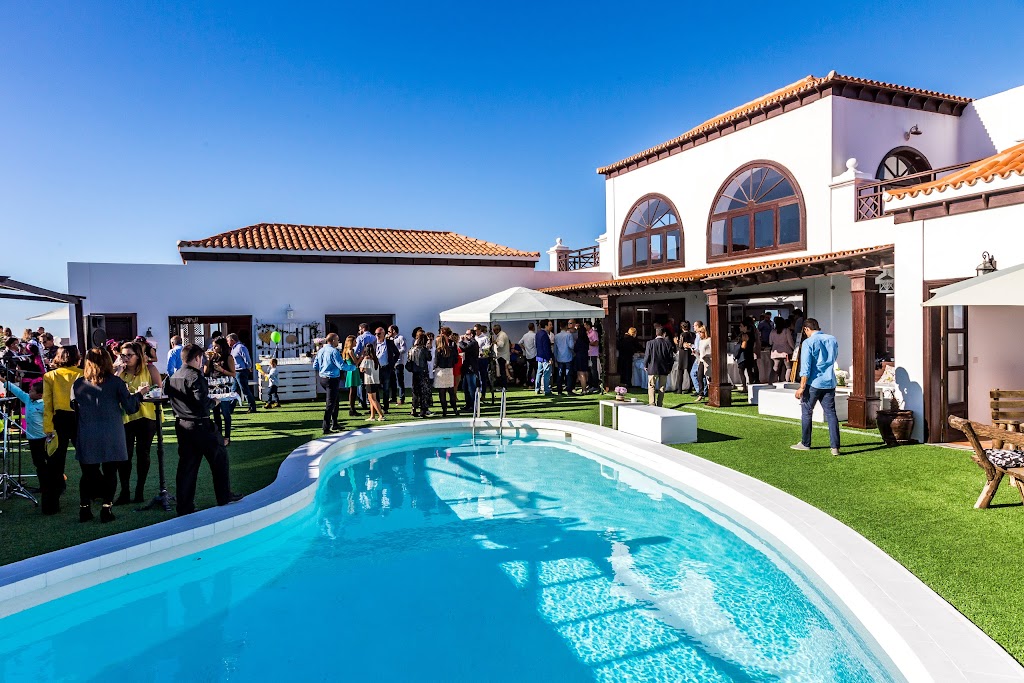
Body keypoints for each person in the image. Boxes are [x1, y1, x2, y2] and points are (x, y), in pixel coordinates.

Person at [72, 347, 148, 523]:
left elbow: (73, 406)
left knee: (87, 473)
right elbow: (130, 407)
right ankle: (106, 509)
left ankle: (84, 508)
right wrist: (140, 394)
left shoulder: (78, 383)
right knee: (110, 472)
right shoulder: (115, 382)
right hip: (111, 432)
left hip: (87, 432)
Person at [164, 343, 238, 515]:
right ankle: (224, 496)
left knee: (187, 467)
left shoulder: (173, 376)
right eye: (201, 359)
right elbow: (202, 403)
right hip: (200, 425)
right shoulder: (196, 376)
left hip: (182, 425)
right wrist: (215, 402)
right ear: (197, 358)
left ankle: (184, 506)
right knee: (219, 459)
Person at [114, 340, 161, 504]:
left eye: (129, 355)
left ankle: (139, 491)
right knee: (124, 455)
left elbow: (159, 388)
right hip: (125, 417)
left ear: (138, 356)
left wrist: (144, 392)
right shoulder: (119, 372)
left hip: (146, 416)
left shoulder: (150, 369)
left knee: (143, 453)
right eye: (123, 355)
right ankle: (125, 491)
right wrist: (118, 371)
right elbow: (109, 389)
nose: (125, 358)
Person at [792, 318, 841, 456]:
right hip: (829, 381)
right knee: (831, 414)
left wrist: (801, 387)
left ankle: (805, 443)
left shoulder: (808, 342)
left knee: (807, 412)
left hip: (813, 383)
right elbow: (834, 358)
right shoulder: (832, 339)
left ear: (806, 329)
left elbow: (806, 366)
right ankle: (835, 447)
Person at [42, 345, 82, 514]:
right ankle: (97, 491)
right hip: (80, 418)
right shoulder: (83, 373)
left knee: (55, 462)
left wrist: (48, 427)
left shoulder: (50, 376)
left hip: (59, 419)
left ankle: (50, 505)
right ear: (77, 357)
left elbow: (47, 404)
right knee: (87, 459)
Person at [5, 379, 50, 512]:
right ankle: (43, 486)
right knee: (38, 463)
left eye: (32, 391)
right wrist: (3, 380)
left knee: (46, 463)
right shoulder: (28, 399)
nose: (29, 392)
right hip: (32, 439)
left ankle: (56, 484)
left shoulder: (44, 405)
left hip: (43, 438)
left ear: (40, 395)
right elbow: (17, 391)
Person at [313, 333, 344, 434]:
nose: (338, 342)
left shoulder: (321, 350)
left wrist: (323, 369)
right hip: (332, 379)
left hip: (323, 378)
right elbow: (341, 365)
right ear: (333, 340)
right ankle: (326, 427)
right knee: (330, 403)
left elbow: (315, 365)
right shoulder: (334, 351)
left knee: (335, 400)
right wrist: (353, 367)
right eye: (337, 340)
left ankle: (334, 423)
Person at [644, 327, 675, 407]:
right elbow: (671, 358)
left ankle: (652, 403)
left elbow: (647, 355)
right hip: (664, 368)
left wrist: (645, 365)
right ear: (664, 334)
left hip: (653, 367)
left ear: (656, 333)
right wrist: (670, 368)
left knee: (651, 386)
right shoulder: (667, 343)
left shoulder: (650, 343)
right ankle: (660, 403)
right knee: (662, 387)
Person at [225, 334, 257, 413]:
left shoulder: (241, 347)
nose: (227, 342)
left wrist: (249, 367)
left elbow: (247, 358)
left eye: (228, 341)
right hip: (236, 371)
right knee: (234, 390)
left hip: (241, 371)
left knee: (244, 390)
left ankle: (252, 407)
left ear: (232, 340)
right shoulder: (233, 348)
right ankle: (230, 408)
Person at [433, 328, 459, 416]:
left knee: (442, 392)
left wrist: (434, 368)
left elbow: (436, 362)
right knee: (451, 391)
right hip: (449, 371)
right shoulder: (451, 349)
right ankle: (455, 409)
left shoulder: (438, 350)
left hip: (440, 371)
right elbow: (456, 360)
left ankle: (444, 410)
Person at [374, 327, 398, 414]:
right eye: (376, 334)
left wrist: (392, 363)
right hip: (376, 368)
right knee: (375, 388)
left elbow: (397, 353)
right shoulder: (373, 343)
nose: (377, 335)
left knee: (386, 388)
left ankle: (385, 407)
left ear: (383, 334)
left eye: (379, 334)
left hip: (386, 368)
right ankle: (377, 406)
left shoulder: (389, 343)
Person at [408, 333, 433, 418]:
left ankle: (414, 408)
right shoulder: (424, 349)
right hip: (423, 372)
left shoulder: (412, 349)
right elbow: (429, 358)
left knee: (415, 391)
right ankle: (423, 410)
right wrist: (428, 349)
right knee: (423, 392)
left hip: (415, 372)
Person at [358, 347, 385, 421]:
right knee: (372, 399)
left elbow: (361, 369)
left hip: (369, 380)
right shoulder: (375, 359)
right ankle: (372, 416)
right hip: (375, 380)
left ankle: (381, 415)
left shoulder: (366, 359)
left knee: (372, 399)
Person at [340, 335, 363, 418]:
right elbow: (356, 363)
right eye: (354, 341)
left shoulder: (346, 351)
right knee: (353, 390)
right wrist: (361, 357)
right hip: (353, 371)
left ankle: (352, 408)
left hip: (351, 371)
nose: (356, 342)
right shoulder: (350, 351)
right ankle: (352, 409)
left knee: (352, 390)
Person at [769, 317, 796, 383]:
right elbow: (790, 342)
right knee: (788, 367)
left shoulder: (772, 331)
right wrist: (794, 348)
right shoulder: (786, 331)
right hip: (785, 352)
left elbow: (770, 342)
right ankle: (787, 381)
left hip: (775, 352)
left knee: (775, 367)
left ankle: (771, 381)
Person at [458, 330, 480, 409]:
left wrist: (460, 342)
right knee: (465, 387)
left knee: (471, 388)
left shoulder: (473, 343)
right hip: (467, 368)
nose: (465, 335)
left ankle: (473, 405)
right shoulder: (471, 343)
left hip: (471, 368)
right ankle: (468, 404)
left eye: (467, 334)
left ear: (472, 335)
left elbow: (465, 348)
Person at [554, 321, 575, 395]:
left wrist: (555, 357)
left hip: (559, 357)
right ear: (566, 327)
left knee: (559, 374)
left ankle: (559, 390)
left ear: (560, 327)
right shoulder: (569, 335)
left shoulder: (556, 336)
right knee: (568, 374)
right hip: (568, 356)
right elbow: (571, 346)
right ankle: (569, 390)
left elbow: (555, 348)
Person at [388, 325, 407, 406]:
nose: (388, 333)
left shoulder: (400, 338)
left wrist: (396, 352)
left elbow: (404, 349)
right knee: (392, 381)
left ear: (393, 331)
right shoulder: (389, 339)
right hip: (391, 363)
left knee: (400, 381)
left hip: (398, 362)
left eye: (389, 331)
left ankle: (401, 398)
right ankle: (393, 398)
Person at [673, 322, 695, 393]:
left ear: (682, 327)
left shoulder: (682, 334)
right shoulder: (693, 334)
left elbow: (680, 345)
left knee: (680, 371)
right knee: (690, 371)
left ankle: (679, 389)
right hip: (691, 354)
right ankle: (691, 387)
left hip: (683, 354)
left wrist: (676, 343)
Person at [534, 319, 553, 396]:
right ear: (546, 326)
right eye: (550, 325)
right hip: (545, 357)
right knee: (546, 374)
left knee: (539, 373)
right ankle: (546, 389)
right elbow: (546, 348)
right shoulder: (545, 335)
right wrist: (549, 358)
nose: (551, 326)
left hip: (539, 356)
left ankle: (537, 388)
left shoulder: (538, 333)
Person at [491, 324, 510, 391]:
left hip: (502, 356)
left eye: (494, 330)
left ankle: (504, 386)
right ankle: (503, 386)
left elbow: (501, 345)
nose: (494, 332)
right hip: (502, 355)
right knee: (502, 372)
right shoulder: (501, 335)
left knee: (502, 372)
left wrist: (495, 342)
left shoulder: (502, 335)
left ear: (497, 330)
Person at [573, 319, 590, 394]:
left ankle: (584, 389)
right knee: (585, 372)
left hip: (579, 357)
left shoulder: (579, 340)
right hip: (585, 355)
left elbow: (575, 349)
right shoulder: (586, 340)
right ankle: (586, 386)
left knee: (581, 373)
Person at [584, 321, 601, 391]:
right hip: (588, 353)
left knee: (593, 370)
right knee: (589, 370)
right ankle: (590, 384)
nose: (584, 327)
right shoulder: (587, 333)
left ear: (588, 326)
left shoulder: (594, 333)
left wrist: (588, 343)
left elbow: (596, 343)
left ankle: (595, 385)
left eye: (585, 325)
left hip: (593, 353)